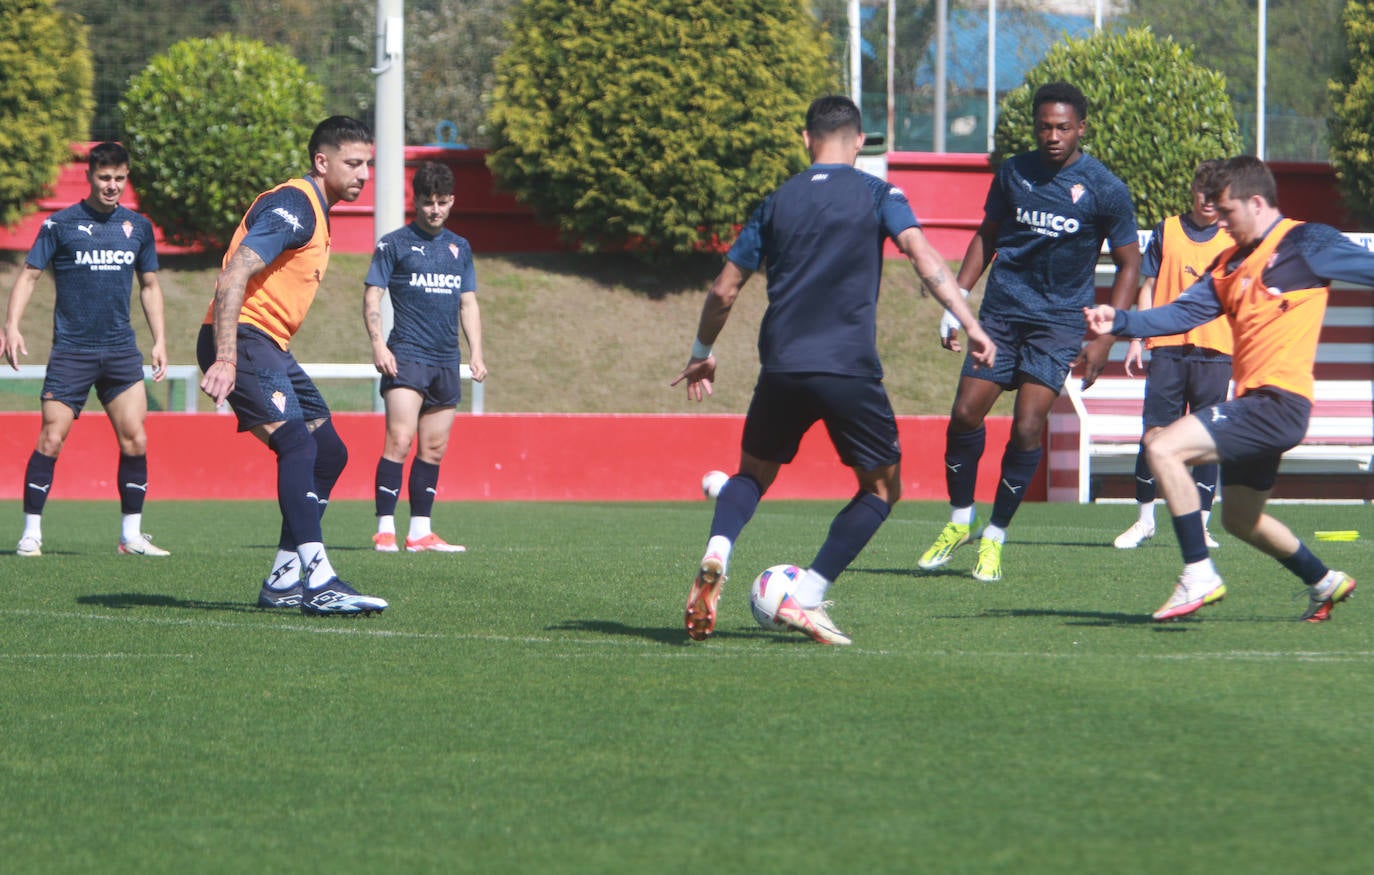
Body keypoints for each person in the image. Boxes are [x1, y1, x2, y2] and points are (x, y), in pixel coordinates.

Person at [672, 95, 994, 645]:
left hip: (782, 367)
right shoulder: (878, 193)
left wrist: (702, 349)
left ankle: (718, 551)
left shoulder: (775, 202)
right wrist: (970, 321)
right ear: (862, 141)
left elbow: (724, 289)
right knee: (881, 488)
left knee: (750, 476)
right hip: (847, 369)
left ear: (805, 139)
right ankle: (811, 593)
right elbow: (923, 256)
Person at [1084, 155, 1363, 622]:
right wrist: (1123, 320)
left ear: (1256, 202)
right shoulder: (1231, 262)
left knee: (1163, 446)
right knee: (1240, 519)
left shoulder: (1306, 241)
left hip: (1279, 403)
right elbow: (1180, 313)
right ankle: (1324, 580)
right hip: (1254, 404)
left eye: (1228, 213)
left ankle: (1199, 573)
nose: (1223, 224)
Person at [918, 81, 1140, 582]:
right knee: (964, 413)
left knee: (1026, 427)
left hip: (1059, 323)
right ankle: (960, 521)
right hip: (1000, 315)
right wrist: (958, 302)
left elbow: (1130, 264)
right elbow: (988, 236)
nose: (1053, 135)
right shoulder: (1014, 173)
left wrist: (1106, 336)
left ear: (1081, 128)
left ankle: (994, 536)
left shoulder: (1105, 188)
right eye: (1045, 126)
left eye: (1063, 127)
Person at [198, 116, 387, 616]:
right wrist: (224, 356)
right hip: (243, 338)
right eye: (353, 163)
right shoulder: (295, 205)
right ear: (321, 162)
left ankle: (283, 579)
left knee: (329, 453)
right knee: (297, 443)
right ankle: (320, 578)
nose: (364, 174)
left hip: (270, 345)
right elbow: (236, 270)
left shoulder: (319, 212)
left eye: (368, 163)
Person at [1, 142, 170, 558]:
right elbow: (28, 276)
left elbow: (149, 286)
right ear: (90, 177)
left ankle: (131, 537)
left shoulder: (138, 228)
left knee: (136, 440)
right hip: (72, 352)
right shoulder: (60, 225)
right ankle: (31, 534)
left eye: (119, 178)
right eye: (104, 178)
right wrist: (11, 326)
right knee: (51, 440)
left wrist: (160, 340)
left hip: (119, 352)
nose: (112, 186)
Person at [363, 161, 486, 553]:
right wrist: (379, 345)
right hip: (407, 356)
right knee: (399, 440)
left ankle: (419, 532)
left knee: (433, 449)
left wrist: (477, 355)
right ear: (415, 201)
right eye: (428, 202)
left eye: (442, 202)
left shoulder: (460, 248)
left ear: (452, 201)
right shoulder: (394, 243)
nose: (435, 209)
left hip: (445, 361)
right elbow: (372, 296)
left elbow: (468, 303)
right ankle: (385, 529)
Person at [1113, 160, 1234, 550]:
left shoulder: (1234, 239)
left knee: (1207, 439)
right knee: (1154, 436)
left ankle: (1200, 524)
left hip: (1215, 351)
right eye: (1204, 192)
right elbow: (1148, 286)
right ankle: (1145, 520)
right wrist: (1137, 336)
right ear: (1193, 190)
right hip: (1167, 349)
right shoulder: (1167, 230)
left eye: (1218, 195)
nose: (1209, 201)